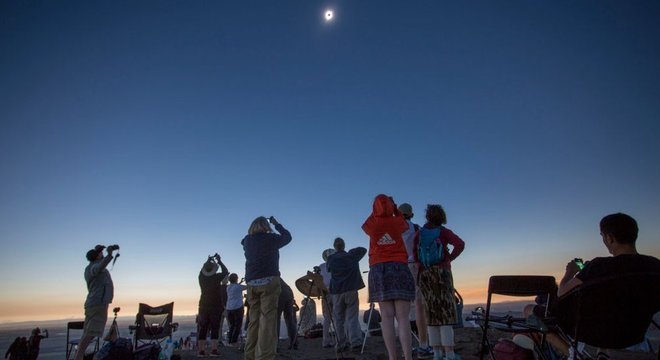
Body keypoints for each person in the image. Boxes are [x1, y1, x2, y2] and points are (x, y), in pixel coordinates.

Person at [538, 212, 660, 357]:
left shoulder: (598, 266)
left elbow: (562, 292)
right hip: (634, 333)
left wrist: (570, 272)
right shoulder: (654, 266)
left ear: (610, 238)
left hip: (592, 334)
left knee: (534, 310)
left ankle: (574, 355)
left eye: (602, 236)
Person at [362, 195, 415, 360]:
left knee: (386, 316)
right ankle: (408, 356)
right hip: (399, 266)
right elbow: (405, 224)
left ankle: (393, 357)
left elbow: (366, 224)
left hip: (379, 268)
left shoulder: (372, 224)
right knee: (403, 318)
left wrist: (377, 209)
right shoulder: (398, 221)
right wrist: (394, 208)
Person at [414, 204, 465, 360]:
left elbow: (415, 255)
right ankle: (449, 354)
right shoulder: (443, 232)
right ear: (441, 217)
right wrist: (449, 258)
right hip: (442, 274)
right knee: (446, 313)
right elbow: (460, 244)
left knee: (431, 313)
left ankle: (436, 354)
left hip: (425, 275)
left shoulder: (419, 234)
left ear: (428, 216)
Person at [242, 216, 292, 360]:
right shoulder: (271, 238)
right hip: (269, 281)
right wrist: (276, 224)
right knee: (267, 321)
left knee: (254, 321)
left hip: (251, 283)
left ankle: (250, 355)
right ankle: (264, 356)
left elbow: (242, 243)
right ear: (265, 226)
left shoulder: (247, 240)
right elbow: (287, 237)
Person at [399, 203, 432, 359]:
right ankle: (424, 344)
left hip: (399, 267)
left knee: (402, 309)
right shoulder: (416, 227)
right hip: (415, 266)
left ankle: (407, 346)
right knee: (419, 306)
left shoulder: (394, 228)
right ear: (411, 214)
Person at [74, 244, 118, 360]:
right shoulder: (93, 268)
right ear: (97, 257)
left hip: (94, 304)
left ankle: (78, 356)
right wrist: (109, 255)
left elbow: (101, 263)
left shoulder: (91, 267)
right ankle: (78, 357)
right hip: (97, 304)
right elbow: (100, 266)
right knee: (91, 333)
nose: (102, 255)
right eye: (100, 254)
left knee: (88, 332)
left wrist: (104, 252)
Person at [327, 237, 367, 353]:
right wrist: (350, 252)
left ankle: (341, 344)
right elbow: (363, 249)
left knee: (338, 319)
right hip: (351, 289)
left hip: (337, 292)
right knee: (352, 317)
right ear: (344, 245)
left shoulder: (331, 258)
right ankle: (355, 343)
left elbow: (329, 269)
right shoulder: (351, 256)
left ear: (334, 247)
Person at [197, 253, 229, 357]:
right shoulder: (216, 277)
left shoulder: (201, 277)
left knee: (203, 328)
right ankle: (213, 350)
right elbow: (226, 271)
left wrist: (207, 261)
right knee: (215, 327)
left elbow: (203, 270)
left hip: (203, 306)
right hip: (216, 306)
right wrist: (219, 261)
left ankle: (201, 351)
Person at [319, 248, 336, 348]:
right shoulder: (336, 265)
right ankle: (340, 340)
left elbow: (318, 281)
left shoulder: (321, 267)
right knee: (338, 317)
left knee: (327, 319)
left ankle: (325, 341)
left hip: (324, 293)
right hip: (335, 292)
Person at [226, 273, 247, 347]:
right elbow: (248, 287)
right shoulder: (238, 287)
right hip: (238, 308)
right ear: (236, 279)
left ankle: (230, 341)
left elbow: (236, 286)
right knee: (238, 326)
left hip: (229, 309)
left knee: (232, 326)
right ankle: (234, 342)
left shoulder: (228, 287)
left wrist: (240, 282)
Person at [277, 279, 299, 350]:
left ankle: (275, 345)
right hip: (289, 292)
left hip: (280, 292)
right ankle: (294, 343)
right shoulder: (277, 276)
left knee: (276, 319)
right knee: (290, 319)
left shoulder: (268, 275)